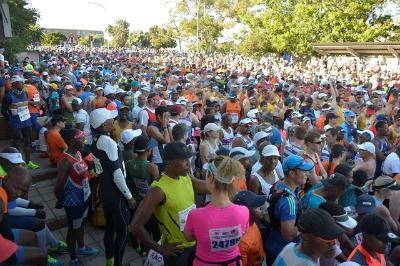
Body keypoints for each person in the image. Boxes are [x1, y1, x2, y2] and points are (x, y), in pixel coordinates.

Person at [131, 142, 208, 265]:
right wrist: (159, 249)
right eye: (184, 160)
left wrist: (223, 185)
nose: (189, 164)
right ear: (170, 163)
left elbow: (200, 185)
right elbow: (135, 225)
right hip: (178, 251)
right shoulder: (158, 190)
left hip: (196, 242)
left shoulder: (185, 176)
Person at [90, 108, 136, 266]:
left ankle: (109, 260)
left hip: (105, 190)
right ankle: (118, 263)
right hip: (116, 193)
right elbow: (117, 175)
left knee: (110, 227)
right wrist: (129, 197)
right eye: (110, 120)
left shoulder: (96, 140)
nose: (113, 121)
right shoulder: (109, 143)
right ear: (104, 125)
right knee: (122, 230)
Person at [184, 156, 249, 265]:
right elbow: (243, 233)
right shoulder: (244, 212)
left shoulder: (195, 215)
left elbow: (189, 238)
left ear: (211, 178)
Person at [54, 129, 99, 266]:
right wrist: (61, 200)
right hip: (73, 202)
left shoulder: (78, 153)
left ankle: (82, 248)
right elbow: (58, 186)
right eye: (81, 138)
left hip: (83, 197)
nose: (84, 140)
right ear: (72, 141)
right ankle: (73, 259)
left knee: (81, 225)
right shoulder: (66, 161)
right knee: (73, 230)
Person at [0, 166, 57, 266]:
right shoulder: (1, 197)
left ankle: (53, 246)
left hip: (5, 234)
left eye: (23, 191)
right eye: (17, 188)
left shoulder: (5, 187)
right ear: (6, 179)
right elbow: (11, 213)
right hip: (3, 245)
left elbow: (11, 207)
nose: (19, 193)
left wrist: (29, 204)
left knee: (33, 237)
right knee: (41, 255)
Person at [265, 155, 314, 264]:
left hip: (273, 244)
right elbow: (289, 235)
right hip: (282, 251)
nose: (308, 174)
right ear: (291, 173)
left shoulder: (278, 184)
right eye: (303, 171)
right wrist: (305, 221)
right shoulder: (289, 202)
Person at [274, 208, 345, 266]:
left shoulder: (289, 247)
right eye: (326, 238)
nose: (333, 243)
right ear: (305, 236)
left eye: (334, 236)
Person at [1, 76, 38, 169]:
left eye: (23, 82)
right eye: (21, 82)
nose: (23, 84)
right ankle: (18, 164)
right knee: (17, 142)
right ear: (14, 84)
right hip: (16, 122)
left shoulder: (25, 93)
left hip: (26, 121)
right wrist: (10, 120)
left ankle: (28, 162)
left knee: (28, 141)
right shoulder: (8, 96)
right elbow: (3, 110)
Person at [233, 190, 266, 266]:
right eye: (257, 206)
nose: (261, 208)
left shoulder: (252, 221)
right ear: (246, 211)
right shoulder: (242, 241)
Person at [147, 105, 172, 172]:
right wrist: (165, 126)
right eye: (166, 116)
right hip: (157, 160)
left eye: (169, 116)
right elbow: (166, 141)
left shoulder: (166, 125)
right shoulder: (152, 128)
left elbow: (172, 140)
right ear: (159, 116)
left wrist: (168, 125)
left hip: (165, 157)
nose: (168, 119)